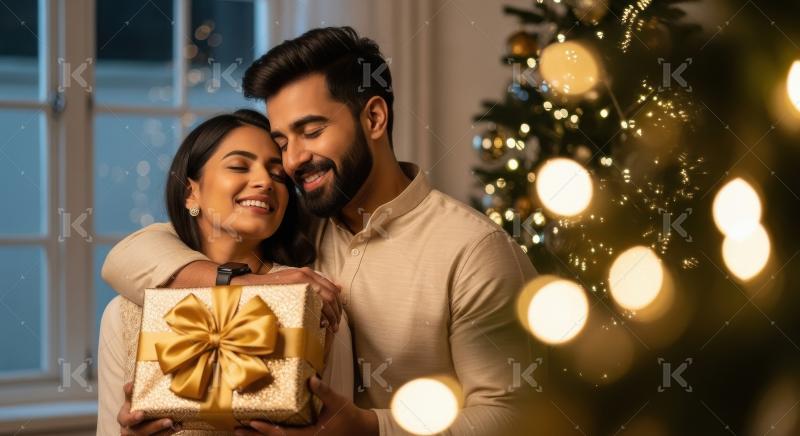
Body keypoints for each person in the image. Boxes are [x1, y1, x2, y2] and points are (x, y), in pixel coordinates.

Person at [102, 27, 539, 435]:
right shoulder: (293, 218)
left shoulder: (473, 250)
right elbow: (129, 257)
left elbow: (514, 415)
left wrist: (369, 427)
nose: (292, 162)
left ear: (373, 119)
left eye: (311, 132)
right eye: (282, 142)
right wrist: (246, 285)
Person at [96, 109, 353, 435]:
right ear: (191, 191)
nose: (264, 181)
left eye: (278, 175)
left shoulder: (314, 299)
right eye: (238, 166)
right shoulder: (124, 312)